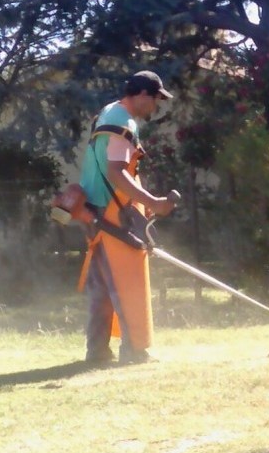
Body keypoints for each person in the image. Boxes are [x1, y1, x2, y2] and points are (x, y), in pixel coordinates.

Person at [78, 70, 176, 365]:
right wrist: (154, 203)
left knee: (103, 287)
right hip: (112, 212)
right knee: (128, 281)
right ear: (143, 94)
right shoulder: (122, 121)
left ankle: (97, 351)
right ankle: (135, 350)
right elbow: (117, 171)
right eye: (156, 99)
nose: (156, 107)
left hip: (94, 211)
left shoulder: (107, 112)